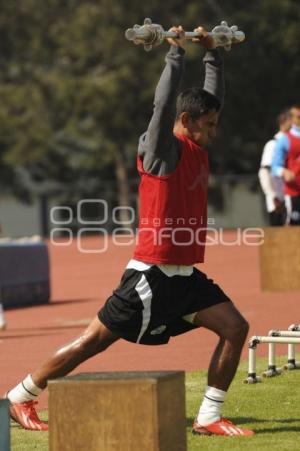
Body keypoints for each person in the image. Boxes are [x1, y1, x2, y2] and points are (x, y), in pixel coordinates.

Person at [5, 26, 254, 436]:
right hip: (150, 277)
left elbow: (213, 101)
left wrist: (213, 56)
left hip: (185, 277)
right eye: (208, 124)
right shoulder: (160, 153)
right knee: (91, 343)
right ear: (186, 121)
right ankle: (20, 396)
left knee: (235, 327)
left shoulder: (196, 146)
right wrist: (175, 53)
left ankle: (208, 416)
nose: (214, 131)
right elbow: (162, 108)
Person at [258, 109, 291, 226]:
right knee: (276, 213)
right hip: (277, 188)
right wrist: (273, 194)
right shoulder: (273, 144)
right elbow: (266, 170)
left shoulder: (292, 141)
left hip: (287, 189)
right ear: (283, 122)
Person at [272, 104, 300, 225]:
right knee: (293, 227)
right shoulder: (284, 139)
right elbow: (274, 167)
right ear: (292, 119)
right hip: (294, 193)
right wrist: (284, 172)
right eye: (299, 117)